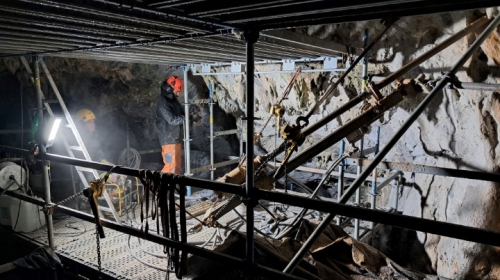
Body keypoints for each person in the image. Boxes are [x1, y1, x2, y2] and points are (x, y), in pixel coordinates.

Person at [156, 76, 185, 174]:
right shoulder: (163, 102)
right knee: (170, 166)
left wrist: (191, 112)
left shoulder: (173, 101)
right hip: (168, 140)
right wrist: (187, 119)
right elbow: (172, 120)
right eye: (177, 90)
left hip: (176, 138)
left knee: (177, 167)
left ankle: (173, 188)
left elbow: (182, 114)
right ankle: (159, 188)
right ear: (170, 89)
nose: (178, 93)